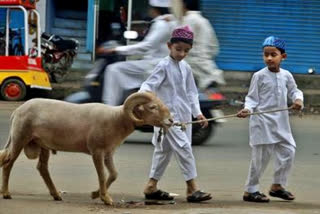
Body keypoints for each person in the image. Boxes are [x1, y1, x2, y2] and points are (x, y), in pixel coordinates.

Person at [139, 26, 212, 202]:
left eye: (186, 51)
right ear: (169, 45)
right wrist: (145, 105)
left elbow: (192, 92)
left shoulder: (185, 67)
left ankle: (151, 187)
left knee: (163, 152)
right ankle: (192, 189)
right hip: (168, 119)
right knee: (184, 148)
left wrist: (198, 113)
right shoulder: (163, 66)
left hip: (184, 117)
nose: (181, 54)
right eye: (178, 49)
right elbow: (147, 87)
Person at [237, 36, 303, 203]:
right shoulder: (259, 76)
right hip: (262, 122)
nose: (269, 58)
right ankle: (250, 190)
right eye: (266, 54)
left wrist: (298, 100)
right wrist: (247, 109)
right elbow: (251, 98)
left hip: (281, 122)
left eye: (273, 54)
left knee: (289, 150)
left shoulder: (286, 75)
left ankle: (277, 186)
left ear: (283, 57)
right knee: (260, 158)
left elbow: (295, 91)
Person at [98, 0, 176, 106]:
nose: (149, 10)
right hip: (157, 63)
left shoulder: (162, 24)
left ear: (155, 9)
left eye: (150, 7)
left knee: (113, 70)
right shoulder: (169, 22)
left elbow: (147, 46)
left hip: (155, 65)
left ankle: (109, 108)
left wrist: (116, 50)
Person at [175, 0, 226, 89]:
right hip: (208, 67)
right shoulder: (204, 21)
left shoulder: (188, 20)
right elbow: (214, 46)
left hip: (195, 66)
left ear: (184, 5)